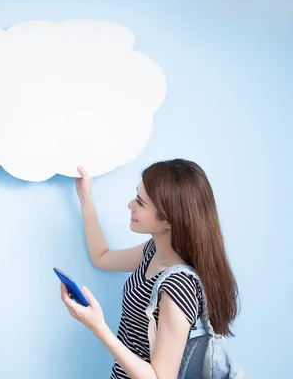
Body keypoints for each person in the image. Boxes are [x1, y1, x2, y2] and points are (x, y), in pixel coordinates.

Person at [61, 159, 239, 379]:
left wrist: (98, 327)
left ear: (169, 220)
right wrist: (85, 196)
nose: (130, 205)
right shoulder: (153, 251)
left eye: (140, 202)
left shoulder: (178, 287)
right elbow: (102, 257)